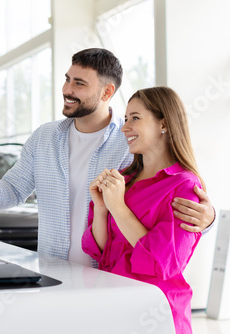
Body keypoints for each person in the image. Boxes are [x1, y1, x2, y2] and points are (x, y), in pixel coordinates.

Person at [0, 48, 214, 265]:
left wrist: (207, 219)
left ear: (107, 92)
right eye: (67, 79)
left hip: (107, 276)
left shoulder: (131, 143)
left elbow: (162, 194)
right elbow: (11, 191)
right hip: (51, 272)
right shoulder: (43, 137)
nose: (67, 90)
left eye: (79, 83)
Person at [82, 87, 203, 333]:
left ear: (164, 124)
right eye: (126, 119)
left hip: (155, 314)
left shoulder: (185, 186)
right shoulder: (124, 180)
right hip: (114, 309)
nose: (125, 127)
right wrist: (103, 209)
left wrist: (118, 207)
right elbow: (103, 253)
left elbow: (164, 263)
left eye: (135, 118)